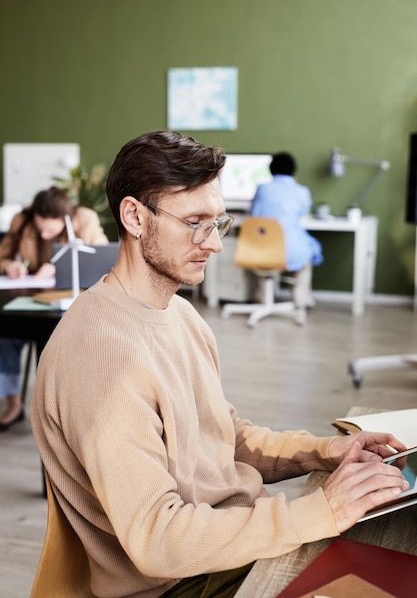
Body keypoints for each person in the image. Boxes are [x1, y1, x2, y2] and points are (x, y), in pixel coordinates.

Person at [31, 131, 409, 598]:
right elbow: (158, 540)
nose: (215, 244)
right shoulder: (100, 355)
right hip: (183, 583)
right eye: (195, 223)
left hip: (228, 550)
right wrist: (319, 511)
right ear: (134, 217)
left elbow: (222, 436)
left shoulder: (180, 314)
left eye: (218, 223)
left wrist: (327, 452)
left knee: (393, 536)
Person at [0, 185, 108, 431]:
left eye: (51, 228)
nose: (44, 233)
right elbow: (2, 255)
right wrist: (9, 266)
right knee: (5, 336)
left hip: (72, 301)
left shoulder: (85, 219)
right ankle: (13, 405)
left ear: (66, 219)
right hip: (31, 299)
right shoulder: (22, 220)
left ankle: (75, 410)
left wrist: (60, 267)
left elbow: (102, 261)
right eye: (40, 228)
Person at [250, 152, 323, 326]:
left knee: (265, 256)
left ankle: (260, 297)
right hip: (291, 251)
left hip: (263, 250)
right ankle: (301, 300)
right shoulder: (302, 191)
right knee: (305, 256)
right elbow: (302, 214)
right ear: (293, 171)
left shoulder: (262, 188)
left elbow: (254, 215)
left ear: (271, 169)